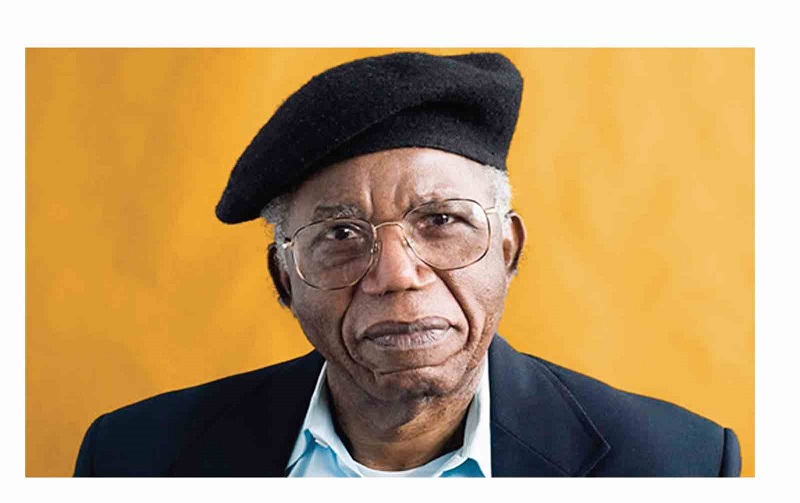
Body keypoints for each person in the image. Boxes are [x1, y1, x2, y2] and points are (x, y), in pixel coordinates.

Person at [74, 51, 741, 477]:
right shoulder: (135, 459)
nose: (396, 274)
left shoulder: (677, 466)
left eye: (441, 221)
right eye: (340, 233)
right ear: (284, 278)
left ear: (508, 248)